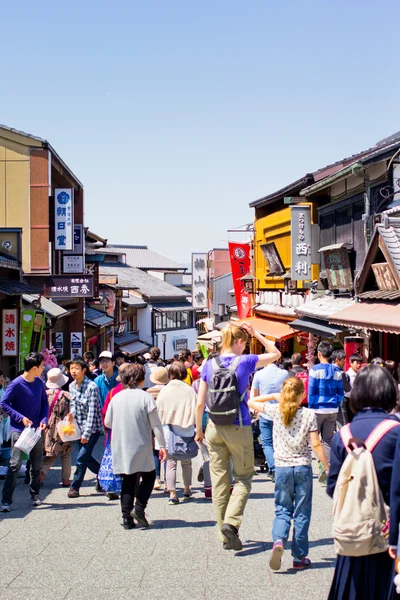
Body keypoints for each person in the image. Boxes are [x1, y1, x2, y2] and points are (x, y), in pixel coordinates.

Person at [195, 321, 281, 551]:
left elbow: (200, 402)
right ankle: (231, 524)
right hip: (238, 425)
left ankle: (224, 536)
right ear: (239, 342)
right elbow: (276, 353)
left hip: (213, 427)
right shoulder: (245, 361)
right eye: (245, 343)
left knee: (220, 482)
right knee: (243, 477)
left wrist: (198, 429)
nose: (245, 347)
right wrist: (258, 334)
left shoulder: (208, 364)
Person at [327, 365, 400, 600]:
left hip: (353, 535)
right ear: (390, 393)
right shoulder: (396, 432)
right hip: (388, 537)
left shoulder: (342, 435)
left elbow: (333, 487)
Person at [249, 377, 329, 571]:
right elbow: (316, 444)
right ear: (303, 395)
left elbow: (251, 402)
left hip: (282, 467)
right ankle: (299, 557)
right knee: (302, 512)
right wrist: (327, 467)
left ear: (283, 394)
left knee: (282, 508)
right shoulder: (309, 414)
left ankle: (278, 540)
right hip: (302, 467)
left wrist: (273, 396)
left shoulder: (276, 411)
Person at [104, 363, 167, 530]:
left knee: (128, 479)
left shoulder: (116, 397)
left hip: (121, 443)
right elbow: (156, 425)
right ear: (140, 379)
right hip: (141, 443)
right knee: (149, 476)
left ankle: (126, 519)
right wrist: (162, 445)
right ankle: (139, 508)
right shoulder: (145, 397)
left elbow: (107, 422)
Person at [0, 353, 48, 511]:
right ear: (34, 368)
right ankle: (6, 500)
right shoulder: (16, 384)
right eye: (41, 366)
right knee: (14, 465)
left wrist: (44, 420)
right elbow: (4, 403)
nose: (43, 369)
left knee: (36, 465)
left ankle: (35, 494)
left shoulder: (40, 383)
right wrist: (20, 418)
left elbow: (44, 404)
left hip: (35, 430)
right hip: (19, 430)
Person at [157, 361, 197, 504]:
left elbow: (159, 411)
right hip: (186, 429)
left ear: (170, 374)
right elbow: (196, 408)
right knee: (186, 462)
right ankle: (187, 489)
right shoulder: (189, 390)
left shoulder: (165, 390)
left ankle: (172, 493)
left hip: (169, 430)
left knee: (170, 463)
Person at [67, 357, 103, 499]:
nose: (73, 371)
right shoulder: (71, 386)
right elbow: (74, 406)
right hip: (77, 427)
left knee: (81, 457)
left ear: (84, 370)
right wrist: (71, 416)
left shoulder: (92, 387)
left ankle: (74, 487)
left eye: (76, 368)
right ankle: (103, 475)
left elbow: (92, 412)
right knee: (86, 458)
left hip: (92, 429)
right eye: (71, 368)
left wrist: (86, 434)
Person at [308, 341, 344, 480]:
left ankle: (322, 466)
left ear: (319, 354)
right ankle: (327, 467)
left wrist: (311, 408)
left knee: (315, 440)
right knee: (328, 439)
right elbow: (340, 392)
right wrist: (336, 402)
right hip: (332, 409)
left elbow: (311, 392)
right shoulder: (337, 371)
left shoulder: (315, 370)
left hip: (317, 409)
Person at [250, 361, 289, 482]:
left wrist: (254, 410)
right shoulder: (284, 373)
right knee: (280, 441)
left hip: (265, 411)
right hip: (281, 412)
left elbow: (255, 395)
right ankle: (280, 467)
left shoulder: (259, 374)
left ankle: (273, 468)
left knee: (267, 442)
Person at [41, 368, 72, 488]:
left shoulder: (44, 394)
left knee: (51, 452)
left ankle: (41, 474)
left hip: (48, 427)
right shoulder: (67, 396)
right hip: (65, 427)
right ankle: (66, 479)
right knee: (66, 453)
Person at [147, 367, 169, 490]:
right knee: (165, 451)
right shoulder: (169, 391)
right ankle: (167, 480)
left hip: (151, 423)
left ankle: (156, 478)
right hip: (165, 423)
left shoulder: (149, 392)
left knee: (154, 452)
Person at [332, 349, 352, 425]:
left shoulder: (325, 370)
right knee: (342, 424)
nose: (344, 362)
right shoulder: (340, 373)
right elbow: (347, 388)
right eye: (343, 360)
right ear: (337, 360)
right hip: (339, 403)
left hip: (326, 404)